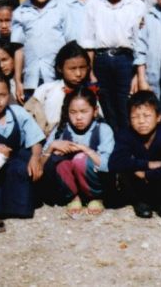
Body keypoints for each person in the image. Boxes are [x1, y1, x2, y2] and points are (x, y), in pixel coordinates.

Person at [79, 0, 146, 130]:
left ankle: (128, 149)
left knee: (126, 106)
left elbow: (140, 43)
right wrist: (91, 73)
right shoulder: (94, 5)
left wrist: (136, 75)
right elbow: (88, 42)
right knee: (106, 107)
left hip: (126, 61)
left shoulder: (136, 5)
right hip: (102, 61)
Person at [0, 72, 45, 219]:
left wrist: (36, 158)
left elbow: (35, 138)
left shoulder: (17, 112)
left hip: (18, 158)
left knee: (24, 168)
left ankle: (22, 205)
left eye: (2, 95)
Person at [109, 90, 161, 219]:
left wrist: (146, 174)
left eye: (147, 116)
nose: (141, 121)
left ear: (158, 117)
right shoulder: (126, 134)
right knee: (126, 168)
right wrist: (146, 164)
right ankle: (141, 202)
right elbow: (114, 163)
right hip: (137, 184)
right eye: (135, 117)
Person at [43, 86, 115, 216]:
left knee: (80, 159)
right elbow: (41, 165)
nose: (78, 117)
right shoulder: (61, 129)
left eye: (84, 111)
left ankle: (95, 197)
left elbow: (107, 165)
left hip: (97, 183)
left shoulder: (103, 129)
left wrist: (85, 150)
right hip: (71, 186)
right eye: (73, 112)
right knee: (58, 162)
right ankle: (73, 197)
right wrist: (52, 146)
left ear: (95, 111)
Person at [11, 0, 68, 102]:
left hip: (57, 77)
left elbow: (69, 43)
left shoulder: (62, 9)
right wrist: (18, 80)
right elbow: (18, 48)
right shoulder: (20, 12)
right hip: (31, 78)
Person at [26, 41, 99, 136]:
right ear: (60, 68)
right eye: (72, 68)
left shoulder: (91, 92)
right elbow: (29, 117)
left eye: (82, 67)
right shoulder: (46, 90)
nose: (78, 74)